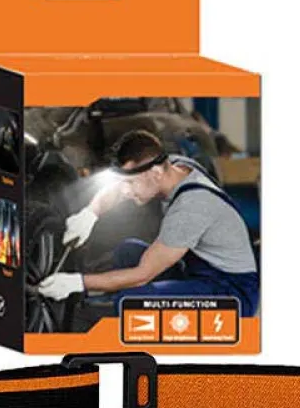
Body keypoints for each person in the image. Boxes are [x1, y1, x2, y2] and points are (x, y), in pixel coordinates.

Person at [38, 130, 259, 314]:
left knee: (133, 301)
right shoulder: (174, 166)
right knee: (128, 251)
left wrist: (78, 282)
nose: (126, 191)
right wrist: (90, 214)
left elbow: (143, 275)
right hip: (197, 271)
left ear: (156, 173)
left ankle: (113, 310)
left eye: (131, 183)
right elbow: (118, 188)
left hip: (232, 293)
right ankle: (112, 299)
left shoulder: (191, 207)